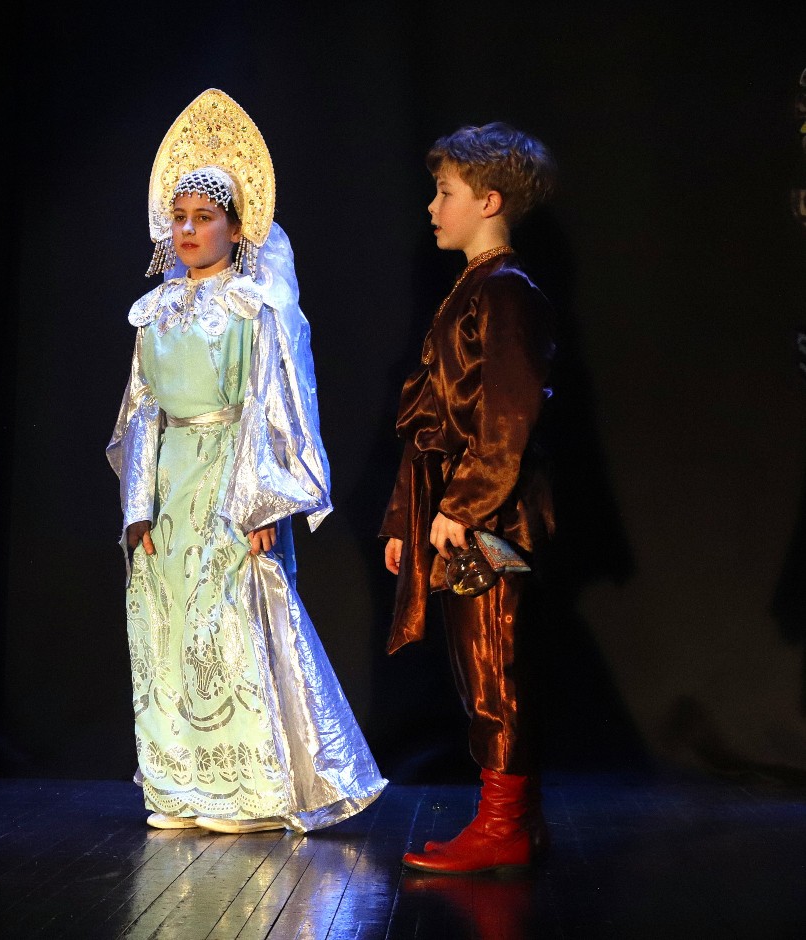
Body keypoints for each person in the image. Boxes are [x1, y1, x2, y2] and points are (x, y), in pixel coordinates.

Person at [107, 89, 386, 834]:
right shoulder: (154, 312)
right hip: (170, 484)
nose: (189, 230)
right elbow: (140, 412)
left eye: (205, 217)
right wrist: (137, 508)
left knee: (229, 625)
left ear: (236, 227)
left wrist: (265, 504)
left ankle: (252, 790)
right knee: (167, 631)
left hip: (232, 478)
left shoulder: (251, 306)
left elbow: (272, 405)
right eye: (179, 217)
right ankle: (179, 786)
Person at [380, 122, 557, 873]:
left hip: (490, 519)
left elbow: (509, 411)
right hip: (459, 511)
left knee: (493, 669)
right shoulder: (473, 288)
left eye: (445, 192)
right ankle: (514, 820)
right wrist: (407, 517)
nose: (432, 207)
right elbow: (432, 419)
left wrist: (464, 505)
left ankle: (504, 826)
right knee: (477, 666)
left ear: (489, 201)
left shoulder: (507, 291)